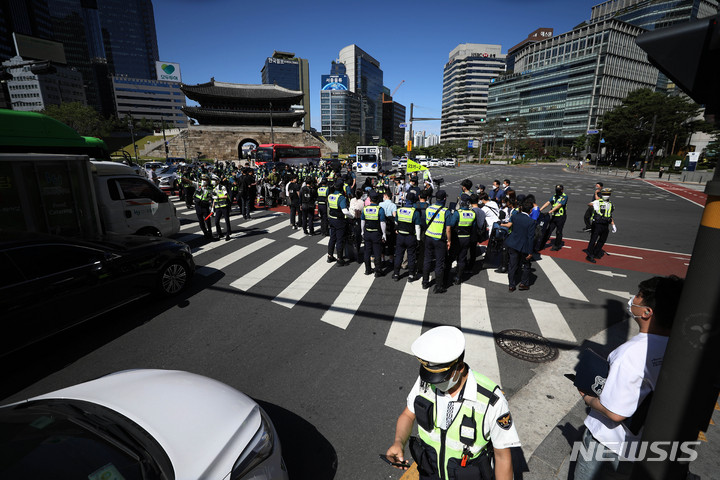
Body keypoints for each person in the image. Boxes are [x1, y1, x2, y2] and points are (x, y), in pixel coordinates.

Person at [573, 275, 685, 480]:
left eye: (639, 296)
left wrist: (586, 397)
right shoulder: (677, 347)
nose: (633, 298)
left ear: (647, 312)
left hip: (607, 442)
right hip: (641, 445)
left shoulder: (630, 354)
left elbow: (615, 413)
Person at [386, 326, 520, 480]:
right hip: (429, 473)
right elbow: (408, 415)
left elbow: (503, 457)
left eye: (441, 378)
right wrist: (398, 442)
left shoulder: (491, 400)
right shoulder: (426, 382)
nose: (435, 384)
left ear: (460, 368)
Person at [422, 190, 457, 294]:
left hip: (428, 237)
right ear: (444, 199)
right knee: (439, 263)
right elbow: (448, 229)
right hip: (439, 240)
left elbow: (426, 222)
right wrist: (449, 241)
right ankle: (438, 286)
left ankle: (425, 282)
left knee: (427, 260)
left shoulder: (429, 208)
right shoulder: (445, 211)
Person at [504, 199, 536, 291]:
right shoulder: (531, 222)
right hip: (524, 246)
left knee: (512, 265)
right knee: (526, 265)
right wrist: (530, 252)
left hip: (512, 243)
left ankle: (511, 285)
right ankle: (523, 284)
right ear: (530, 210)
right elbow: (530, 238)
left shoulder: (514, 216)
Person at [393, 193, 422, 281]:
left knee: (399, 255)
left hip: (400, 236)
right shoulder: (415, 212)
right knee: (411, 256)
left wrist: (398, 229)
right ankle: (411, 275)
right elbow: (417, 227)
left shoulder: (400, 210)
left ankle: (396, 274)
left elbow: (396, 222)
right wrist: (418, 239)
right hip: (410, 236)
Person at [585, 188, 616, 263]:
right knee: (593, 240)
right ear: (602, 195)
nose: (606, 196)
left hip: (605, 225)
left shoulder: (611, 204)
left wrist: (613, 224)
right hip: (597, 224)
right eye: (605, 194)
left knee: (602, 240)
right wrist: (594, 205)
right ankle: (589, 255)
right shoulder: (598, 201)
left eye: (608, 194)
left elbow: (610, 215)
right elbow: (589, 204)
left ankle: (596, 253)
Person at [453, 194, 478, 285]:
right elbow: (474, 228)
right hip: (467, 238)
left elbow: (451, 225)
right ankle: (458, 277)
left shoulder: (458, 213)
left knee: (452, 256)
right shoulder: (473, 214)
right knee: (462, 258)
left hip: (457, 238)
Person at [362, 192, 386, 277]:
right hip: (376, 233)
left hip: (367, 232)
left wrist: (362, 231)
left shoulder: (365, 209)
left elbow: (363, 221)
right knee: (377, 252)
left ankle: (367, 269)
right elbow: (382, 223)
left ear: (370, 199)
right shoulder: (380, 209)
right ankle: (377, 271)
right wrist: (384, 234)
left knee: (367, 252)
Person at [327, 180, 351, 266]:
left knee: (332, 238)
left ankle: (330, 256)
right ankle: (339, 258)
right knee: (339, 239)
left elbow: (329, 208)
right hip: (339, 220)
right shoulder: (341, 198)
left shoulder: (330, 196)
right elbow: (345, 211)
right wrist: (351, 216)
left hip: (331, 219)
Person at [538, 184, 568, 251]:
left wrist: (549, 212)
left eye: (559, 191)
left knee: (558, 231)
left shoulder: (564, 197)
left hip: (561, 217)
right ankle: (541, 245)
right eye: (557, 191)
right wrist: (540, 209)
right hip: (554, 216)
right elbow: (548, 203)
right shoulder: (554, 196)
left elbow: (559, 206)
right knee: (548, 230)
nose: (557, 192)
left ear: (562, 190)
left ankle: (557, 246)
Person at [193, 175, 213, 240]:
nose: (203, 181)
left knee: (207, 220)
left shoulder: (210, 188)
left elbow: (213, 198)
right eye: (202, 179)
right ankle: (205, 232)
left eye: (205, 180)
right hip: (198, 206)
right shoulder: (198, 186)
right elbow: (190, 182)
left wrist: (212, 207)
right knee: (201, 221)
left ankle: (210, 232)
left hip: (205, 206)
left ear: (208, 181)